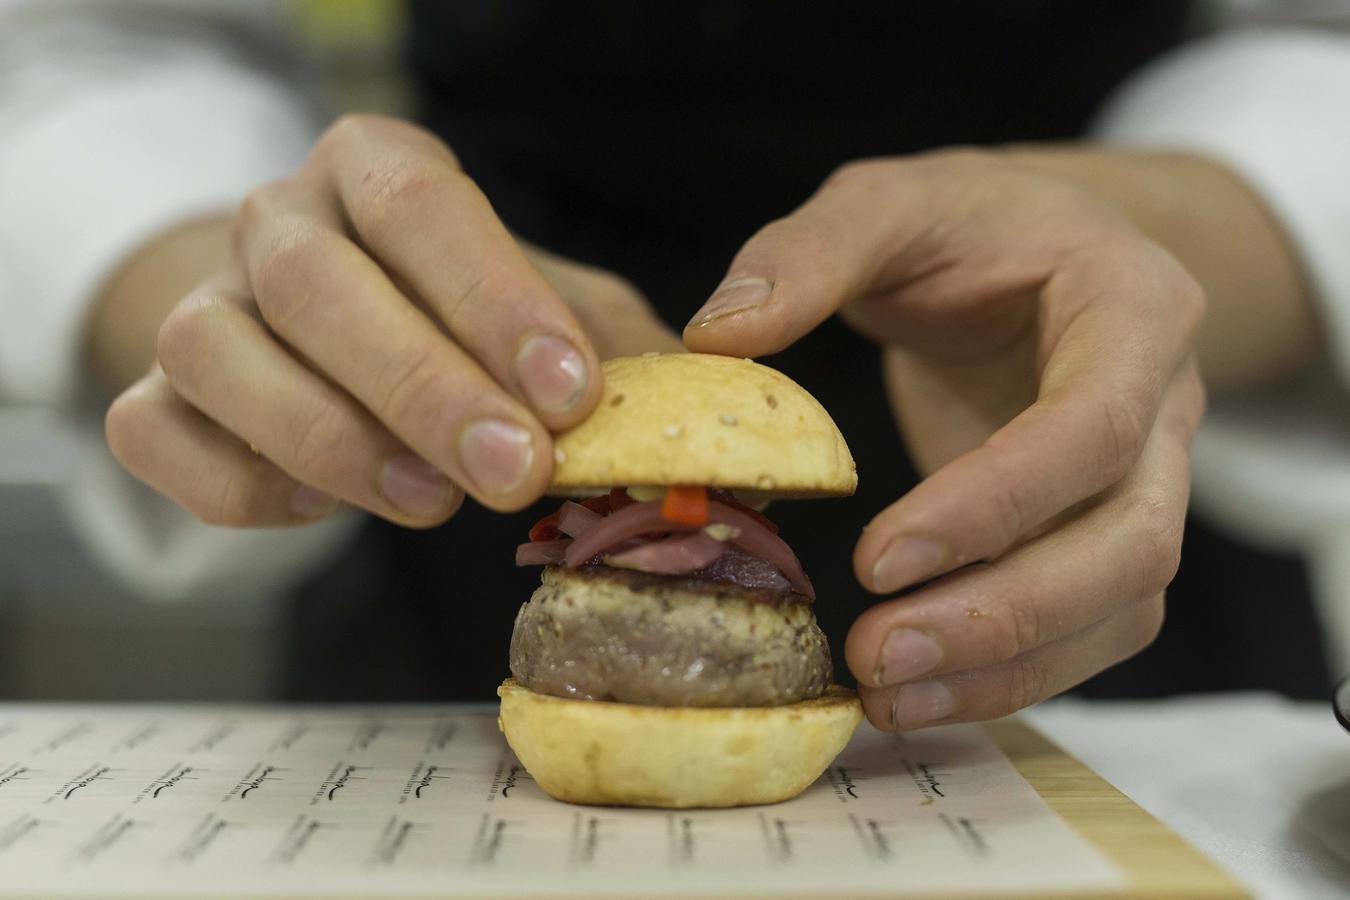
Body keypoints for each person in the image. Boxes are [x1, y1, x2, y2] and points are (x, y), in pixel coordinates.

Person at [4, 1, 1348, 726]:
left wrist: (1159, 243)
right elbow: (93, 47)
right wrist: (270, 299)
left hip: (1108, 535)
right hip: (450, 443)